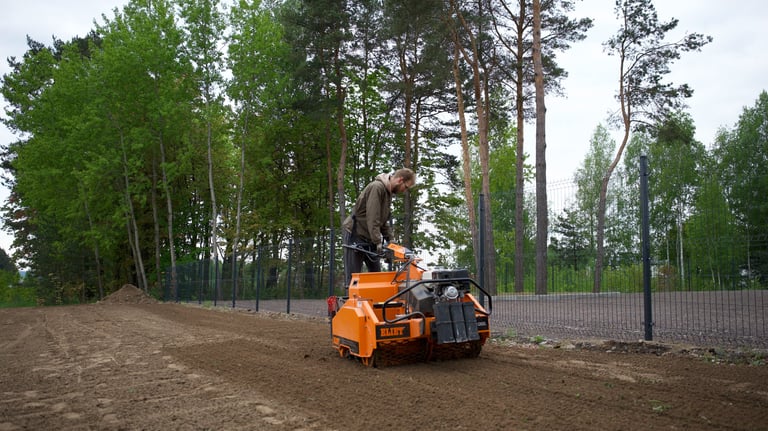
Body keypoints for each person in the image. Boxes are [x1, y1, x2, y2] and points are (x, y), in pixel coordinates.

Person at [342, 168, 416, 289]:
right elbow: (373, 217)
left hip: (370, 236)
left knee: (377, 275)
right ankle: (352, 304)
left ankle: (376, 305)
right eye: (406, 187)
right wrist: (378, 242)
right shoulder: (377, 188)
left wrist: (391, 240)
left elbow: (382, 221)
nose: (404, 191)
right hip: (356, 235)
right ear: (400, 180)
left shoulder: (388, 193)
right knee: (353, 279)